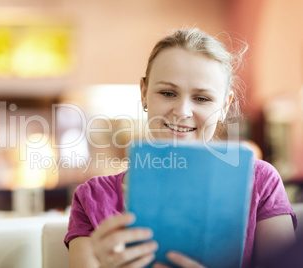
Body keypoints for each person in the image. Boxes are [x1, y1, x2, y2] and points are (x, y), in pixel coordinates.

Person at [64, 29, 297, 268]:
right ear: (144, 93)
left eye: (202, 98)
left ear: (225, 105)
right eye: (167, 93)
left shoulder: (260, 182)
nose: (182, 111)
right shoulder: (91, 197)